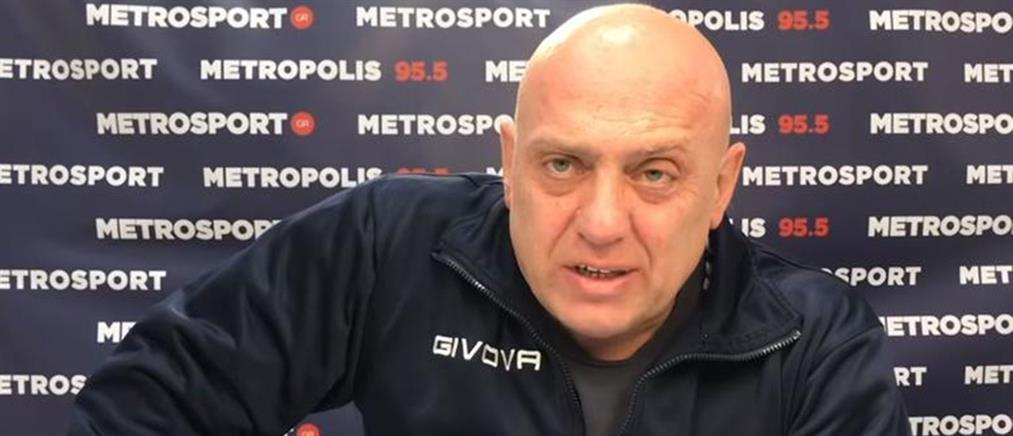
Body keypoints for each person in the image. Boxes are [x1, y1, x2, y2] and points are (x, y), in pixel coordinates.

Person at [68, 4, 910, 436]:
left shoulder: (815, 343)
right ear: (509, 162)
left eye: (654, 174)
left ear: (722, 186)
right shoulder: (388, 244)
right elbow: (145, 405)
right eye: (561, 165)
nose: (601, 223)